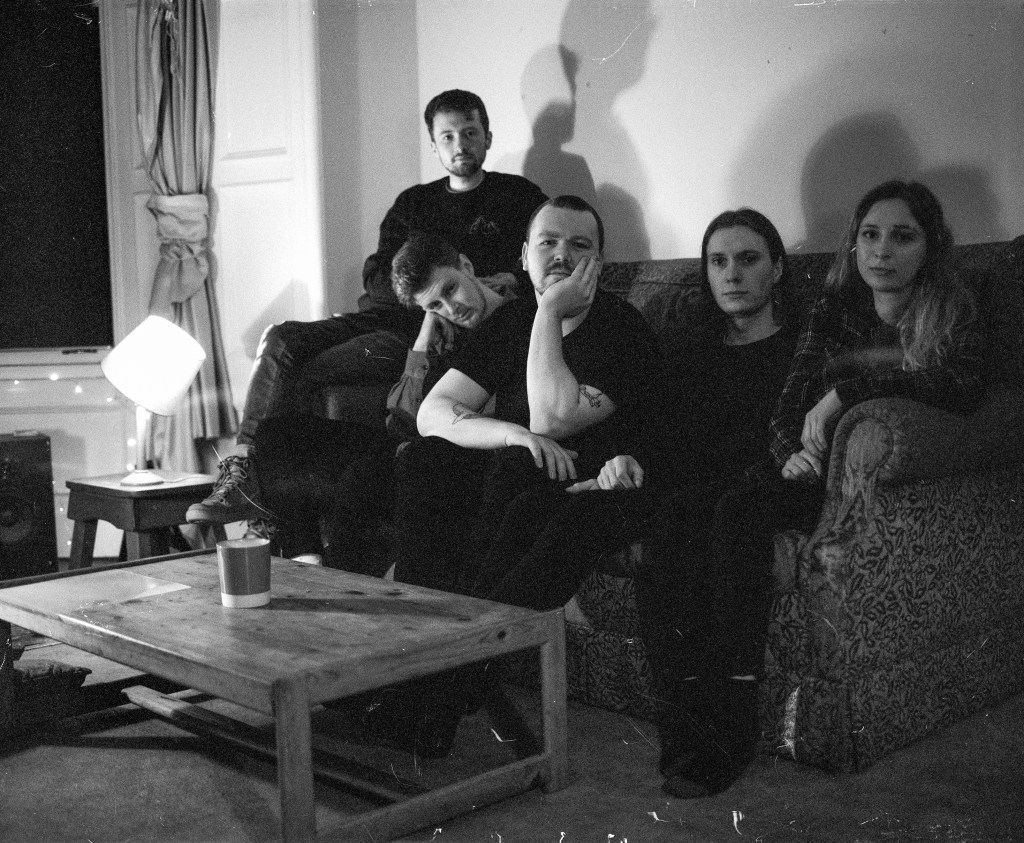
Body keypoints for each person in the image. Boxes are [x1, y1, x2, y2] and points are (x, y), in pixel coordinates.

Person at [454, 208, 801, 798]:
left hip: (743, 493)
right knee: (559, 510)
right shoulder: (692, 351)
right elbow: (654, 430)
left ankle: (714, 737)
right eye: (718, 261)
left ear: (778, 269)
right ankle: (468, 657)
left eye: (748, 260)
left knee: (677, 533)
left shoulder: (799, 350)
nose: (732, 274)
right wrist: (623, 461)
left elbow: (783, 439)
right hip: (667, 484)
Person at [369, 196, 661, 757]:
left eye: (579, 245)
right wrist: (513, 433)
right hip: (520, 464)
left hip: (586, 478)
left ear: (598, 263)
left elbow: (553, 420)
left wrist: (549, 314)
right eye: (548, 242)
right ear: (525, 255)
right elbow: (433, 413)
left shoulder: (621, 327)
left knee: (512, 472)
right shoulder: (508, 322)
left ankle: (428, 695)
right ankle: (414, 664)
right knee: (424, 460)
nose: (561, 255)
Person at [186, 89, 547, 528]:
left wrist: (460, 296)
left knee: (304, 376)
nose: (460, 145)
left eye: (470, 133)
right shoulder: (413, 203)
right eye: (447, 137)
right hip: (388, 316)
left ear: (487, 136)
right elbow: (378, 275)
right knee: (282, 340)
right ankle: (242, 469)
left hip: (415, 335)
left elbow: (532, 266)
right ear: (433, 146)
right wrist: (423, 298)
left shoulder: (516, 197)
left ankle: (277, 515)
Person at [241, 232, 516, 569]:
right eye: (434, 306)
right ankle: (306, 560)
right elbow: (401, 416)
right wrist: (423, 341)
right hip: (405, 438)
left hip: (445, 450)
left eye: (449, 289)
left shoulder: (513, 318)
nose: (451, 309)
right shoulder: (443, 331)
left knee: (364, 476)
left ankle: (334, 577)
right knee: (276, 433)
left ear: (467, 267)